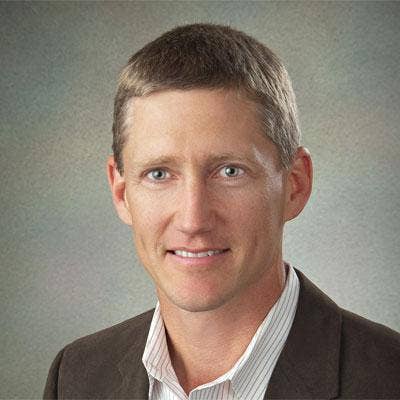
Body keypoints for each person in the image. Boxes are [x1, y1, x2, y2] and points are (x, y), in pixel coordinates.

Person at [43, 23, 400, 399]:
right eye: (159, 174)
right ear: (121, 192)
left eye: (230, 171)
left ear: (295, 185)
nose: (193, 220)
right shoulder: (76, 378)